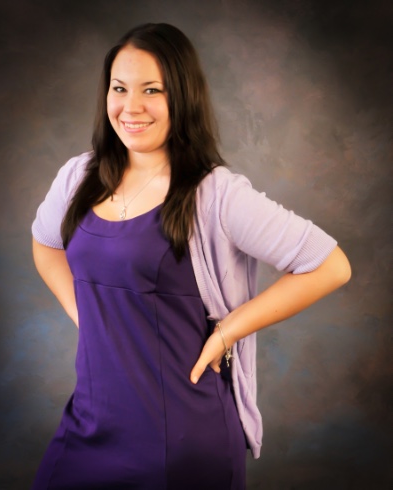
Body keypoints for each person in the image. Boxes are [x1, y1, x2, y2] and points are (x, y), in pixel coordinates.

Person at [31, 22, 351, 490]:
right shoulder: (78, 176)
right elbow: (44, 245)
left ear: (181, 97)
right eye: (119, 88)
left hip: (180, 436)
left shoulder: (215, 194)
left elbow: (332, 265)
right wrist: (84, 314)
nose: (131, 107)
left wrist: (227, 333)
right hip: (88, 423)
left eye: (152, 90)